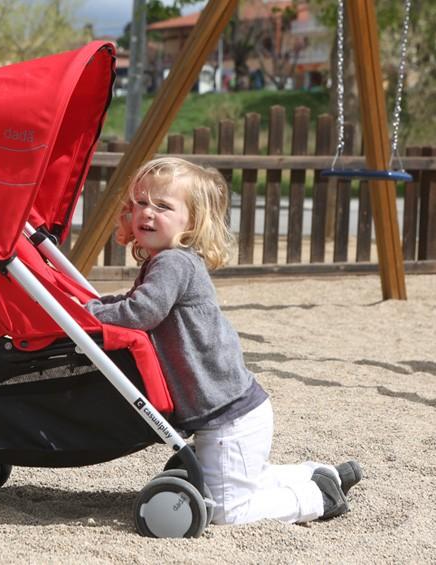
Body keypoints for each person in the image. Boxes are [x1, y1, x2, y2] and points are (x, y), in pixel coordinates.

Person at [85, 157, 362, 525]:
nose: (147, 212)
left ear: (191, 222)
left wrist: (90, 315)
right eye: (140, 202)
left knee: (228, 510)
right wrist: (102, 305)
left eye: (162, 206)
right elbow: (135, 302)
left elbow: (142, 311)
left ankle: (319, 498)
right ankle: (318, 474)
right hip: (234, 411)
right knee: (248, 480)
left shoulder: (173, 263)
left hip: (228, 419)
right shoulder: (167, 261)